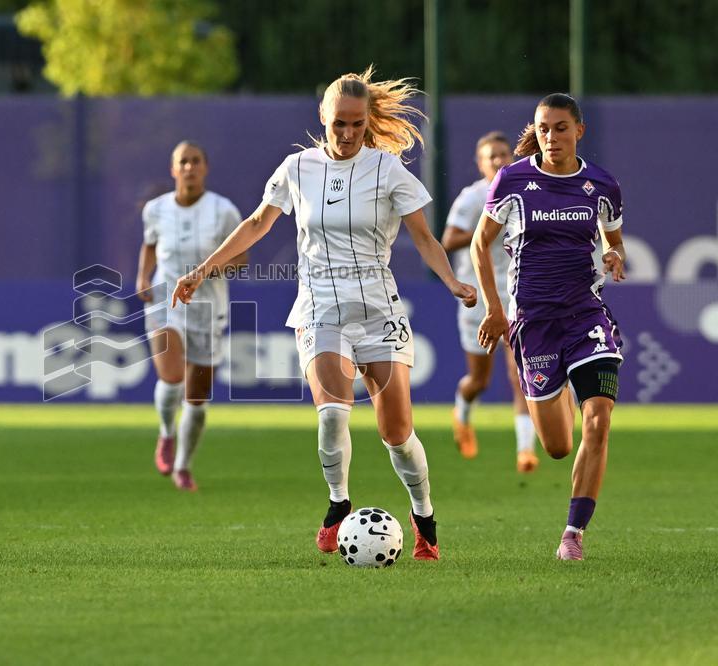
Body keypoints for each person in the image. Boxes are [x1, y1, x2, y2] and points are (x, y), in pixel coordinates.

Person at [172, 67, 476, 559]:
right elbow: (257, 223)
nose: (349, 133)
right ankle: (338, 504)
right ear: (323, 118)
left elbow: (423, 237)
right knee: (332, 414)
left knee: (396, 434)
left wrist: (453, 281)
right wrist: (204, 269)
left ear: (368, 121)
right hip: (320, 309)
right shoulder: (298, 169)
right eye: (340, 123)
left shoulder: (388, 170)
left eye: (358, 124)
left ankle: (423, 515)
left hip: (380, 310)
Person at [472, 93, 625, 561]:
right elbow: (481, 246)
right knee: (557, 447)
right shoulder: (513, 180)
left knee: (597, 421)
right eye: (543, 128)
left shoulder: (602, 185)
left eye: (560, 128)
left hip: (586, 315)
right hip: (533, 325)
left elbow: (612, 238)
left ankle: (573, 535)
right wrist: (495, 309)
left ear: (579, 131)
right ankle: (556, 386)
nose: (551, 137)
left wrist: (614, 253)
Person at [136, 141, 246, 491]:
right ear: (173, 169)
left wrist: (209, 273)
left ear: (205, 167)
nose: (189, 167)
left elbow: (241, 257)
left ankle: (183, 465)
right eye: (183, 162)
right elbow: (151, 244)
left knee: (196, 399)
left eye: (195, 161)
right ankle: (166, 432)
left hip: (207, 308)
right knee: (171, 376)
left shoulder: (223, 210)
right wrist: (142, 275)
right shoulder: (156, 209)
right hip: (165, 300)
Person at [441, 132, 538, 471]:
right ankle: (462, 412)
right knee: (479, 380)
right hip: (478, 297)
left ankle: (525, 450)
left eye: (502, 154)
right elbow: (449, 239)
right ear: (480, 164)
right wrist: (487, 227)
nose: (498, 160)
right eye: (490, 156)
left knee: (521, 373)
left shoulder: (527, 192)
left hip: (517, 294)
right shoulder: (473, 198)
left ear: (512, 157)